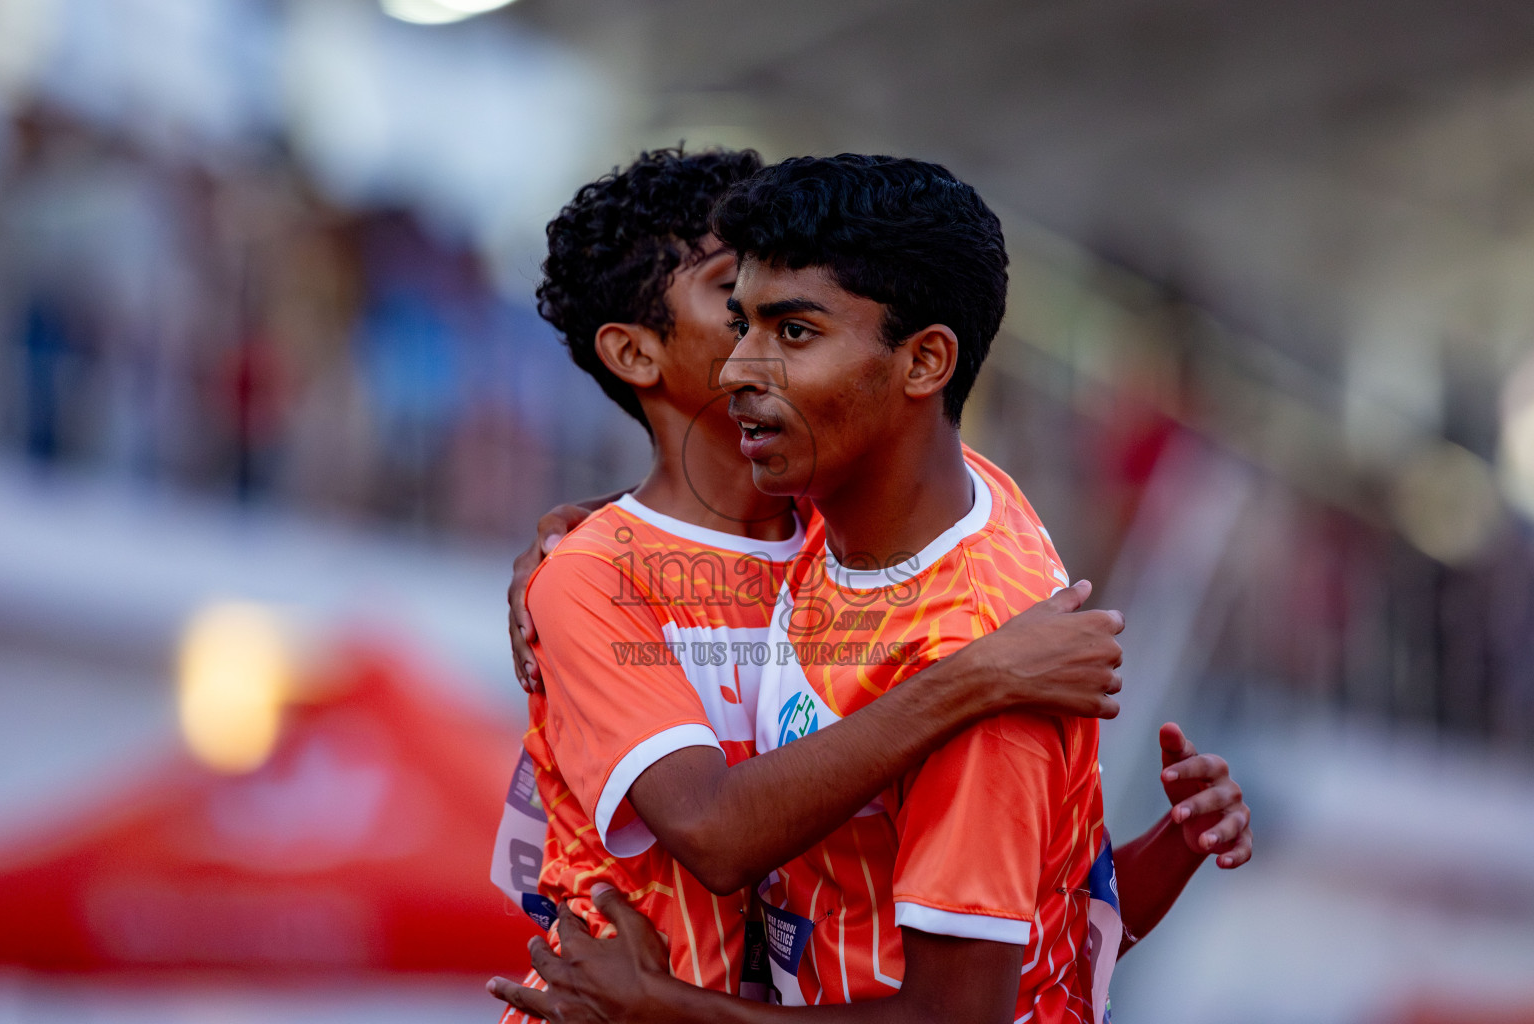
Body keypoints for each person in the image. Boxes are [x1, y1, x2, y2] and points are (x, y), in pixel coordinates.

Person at [491, 155, 1253, 1024]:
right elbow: (734, 833)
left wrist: (660, 1009)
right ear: (635, 351)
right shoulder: (838, 532)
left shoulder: (983, 632)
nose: (746, 362)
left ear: (925, 364)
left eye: (789, 329)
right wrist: (587, 539)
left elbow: (963, 997)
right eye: (735, 311)